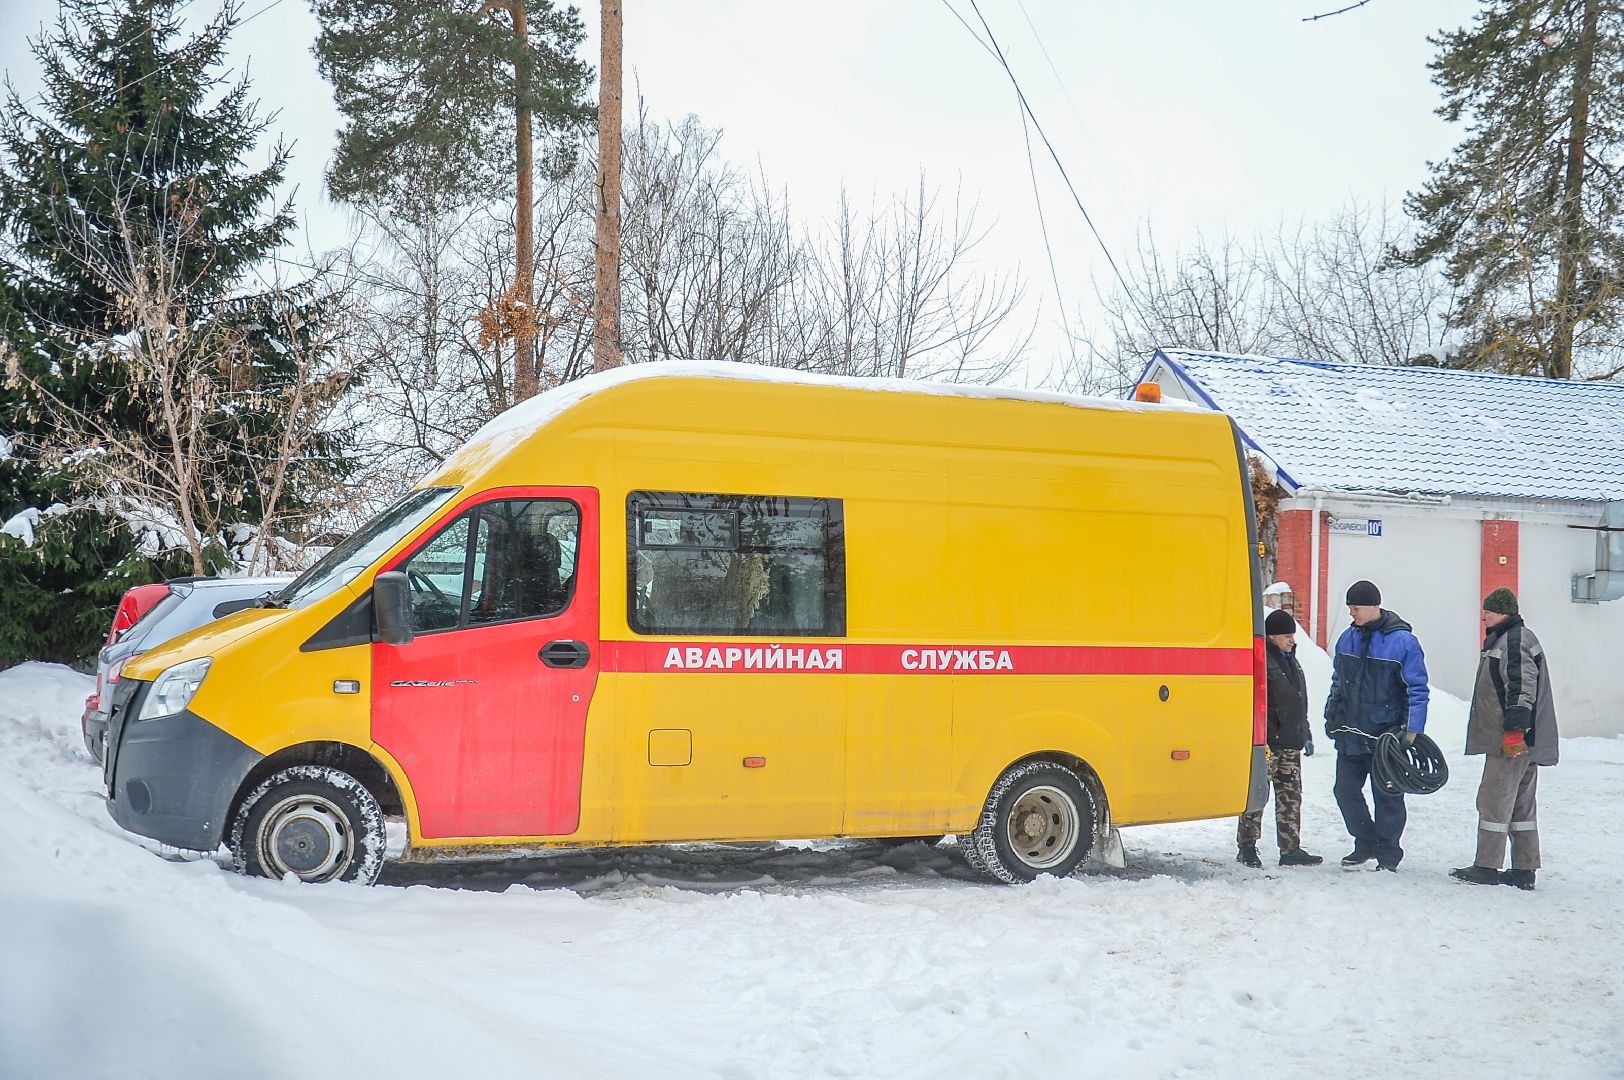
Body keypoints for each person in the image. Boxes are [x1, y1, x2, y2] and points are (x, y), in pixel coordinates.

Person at [1451, 588, 1559, 891]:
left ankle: (1486, 865)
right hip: (1526, 741)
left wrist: (1514, 731)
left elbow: (1522, 687)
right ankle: (1524, 869)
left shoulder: (1514, 640)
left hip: (1512, 742)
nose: (1483, 615)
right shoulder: (1510, 638)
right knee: (1522, 807)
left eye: (1489, 611)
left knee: (1494, 801)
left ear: (1505, 613)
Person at [1323, 580, 1429, 872]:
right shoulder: (1348, 639)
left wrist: (1411, 729)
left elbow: (1417, 689)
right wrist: (1332, 714)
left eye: (1356, 608)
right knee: (1344, 790)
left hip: (1386, 736)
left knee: (1388, 797)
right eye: (1350, 608)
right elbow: (1337, 683)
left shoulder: (1404, 642)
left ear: (1374, 606)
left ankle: (1389, 854)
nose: (1352, 613)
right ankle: (1365, 841)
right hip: (1351, 734)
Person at [1237, 608, 1322, 868]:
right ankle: (1247, 847)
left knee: (1291, 797)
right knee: (1258, 797)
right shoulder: (1263, 664)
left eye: (1292, 636)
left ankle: (1290, 849)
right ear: (1272, 637)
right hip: (1268, 744)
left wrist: (1304, 732)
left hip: (1290, 743)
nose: (1292, 640)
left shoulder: (1291, 661)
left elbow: (1298, 702)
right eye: (1286, 636)